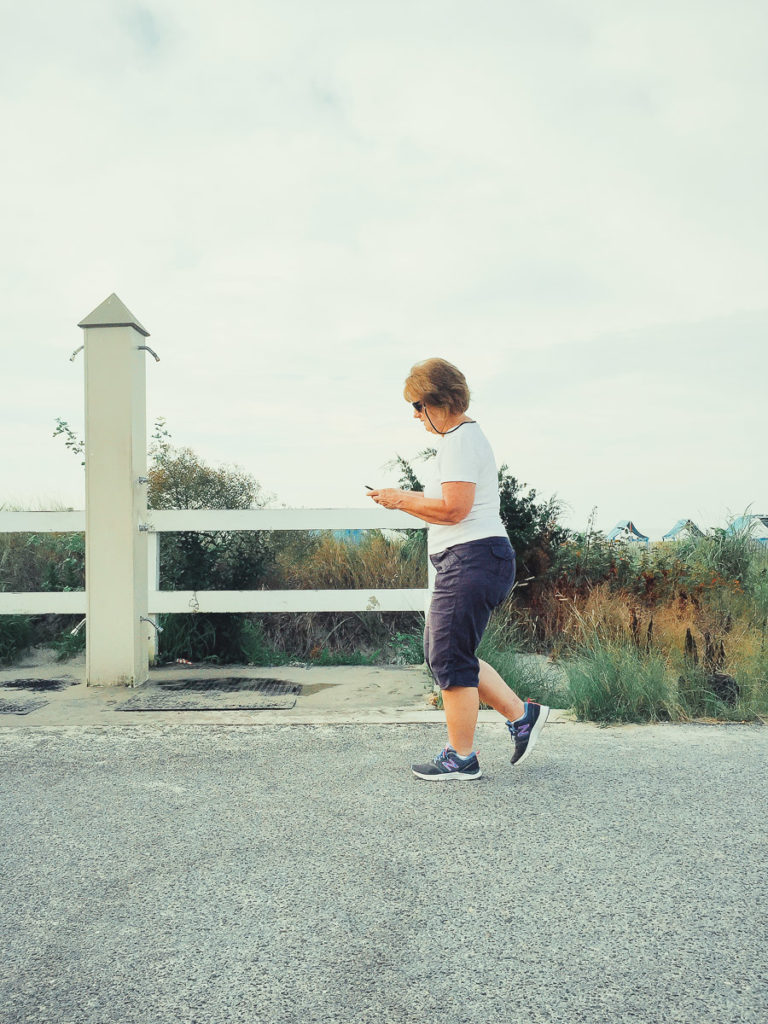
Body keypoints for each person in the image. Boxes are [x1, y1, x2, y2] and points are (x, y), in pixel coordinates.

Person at [367, 357, 549, 781]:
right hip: (470, 558)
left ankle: (461, 757)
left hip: (473, 558)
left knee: (448, 656)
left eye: (416, 406)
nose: (414, 416)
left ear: (435, 402)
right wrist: (403, 497)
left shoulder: (461, 441)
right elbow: (448, 504)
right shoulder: (458, 441)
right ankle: (522, 718)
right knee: (447, 652)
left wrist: (401, 501)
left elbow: (454, 509)